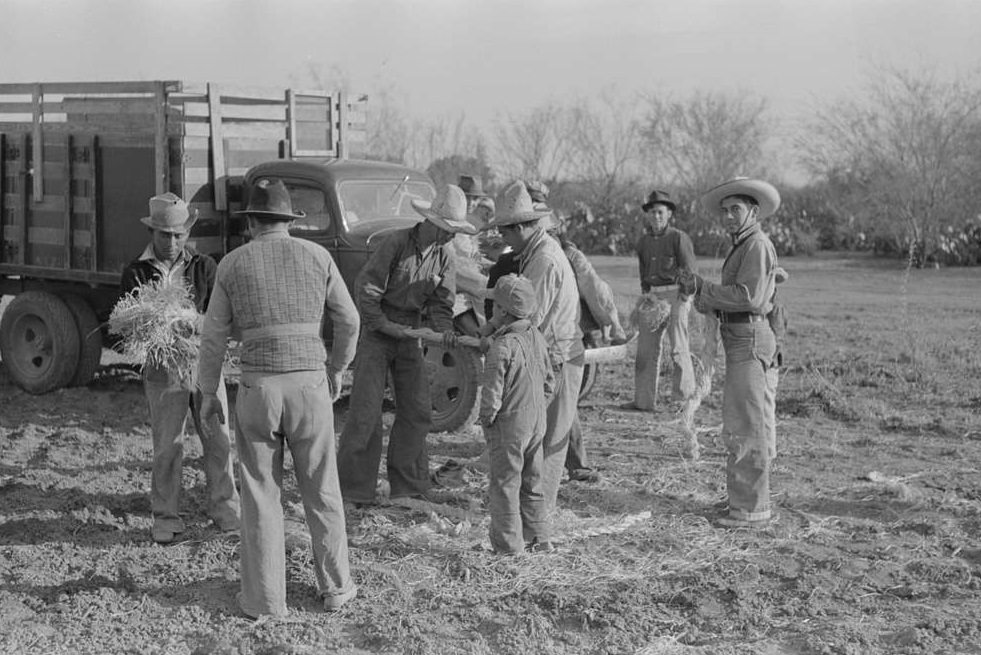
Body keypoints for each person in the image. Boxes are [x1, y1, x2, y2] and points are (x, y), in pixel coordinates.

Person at [196, 178, 361, 616]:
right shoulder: (318, 256)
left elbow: (212, 338)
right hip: (310, 386)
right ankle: (337, 589)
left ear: (251, 221)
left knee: (260, 496)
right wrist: (337, 369)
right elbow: (350, 320)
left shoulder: (232, 264)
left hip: (259, 388)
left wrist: (207, 392)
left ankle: (266, 601)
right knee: (323, 489)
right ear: (290, 221)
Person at [337, 184, 475, 506]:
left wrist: (445, 332)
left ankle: (409, 485)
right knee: (366, 413)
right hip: (377, 332)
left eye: (455, 232)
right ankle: (353, 490)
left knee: (416, 410)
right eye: (447, 230)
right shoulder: (396, 243)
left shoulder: (445, 256)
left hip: (411, 333)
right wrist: (385, 326)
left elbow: (442, 305)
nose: (450, 237)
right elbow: (366, 288)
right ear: (431, 222)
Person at [120, 192, 239, 545]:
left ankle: (225, 507)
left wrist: (191, 322)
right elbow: (133, 326)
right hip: (163, 370)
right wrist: (163, 326)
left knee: (217, 439)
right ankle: (166, 516)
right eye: (164, 235)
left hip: (204, 366)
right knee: (167, 445)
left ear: (188, 233)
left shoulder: (206, 267)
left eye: (178, 235)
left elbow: (219, 317)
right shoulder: (136, 272)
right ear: (152, 233)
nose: (172, 242)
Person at [677, 177, 781, 528]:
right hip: (741, 336)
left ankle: (751, 510)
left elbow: (747, 297)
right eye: (725, 211)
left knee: (746, 424)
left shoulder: (756, 245)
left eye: (735, 209)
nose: (729, 216)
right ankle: (745, 501)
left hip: (748, 338)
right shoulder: (746, 245)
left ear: (753, 211)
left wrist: (703, 288)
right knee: (745, 420)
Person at [483, 181, 583, 513]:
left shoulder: (543, 260)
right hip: (548, 353)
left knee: (548, 443)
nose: (503, 238)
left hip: (557, 356)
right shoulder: (534, 253)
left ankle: (538, 519)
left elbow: (527, 317)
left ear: (524, 227)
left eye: (506, 232)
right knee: (537, 438)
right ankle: (532, 513)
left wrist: (494, 337)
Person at [479, 274, 556, 553]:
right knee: (532, 481)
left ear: (501, 311)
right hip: (538, 422)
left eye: (494, 307)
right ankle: (539, 537)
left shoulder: (502, 347)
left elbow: (491, 395)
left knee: (505, 485)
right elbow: (550, 382)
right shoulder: (537, 336)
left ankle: (508, 547)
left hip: (511, 427)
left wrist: (487, 421)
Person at [625, 189, 697, 411]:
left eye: (660, 212)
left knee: (678, 348)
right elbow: (643, 271)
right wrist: (646, 294)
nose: (656, 217)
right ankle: (643, 402)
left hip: (676, 294)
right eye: (652, 213)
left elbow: (689, 269)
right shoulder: (644, 242)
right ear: (647, 215)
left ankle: (682, 401)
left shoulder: (678, 237)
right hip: (654, 296)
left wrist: (684, 297)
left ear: (668, 214)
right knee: (646, 349)